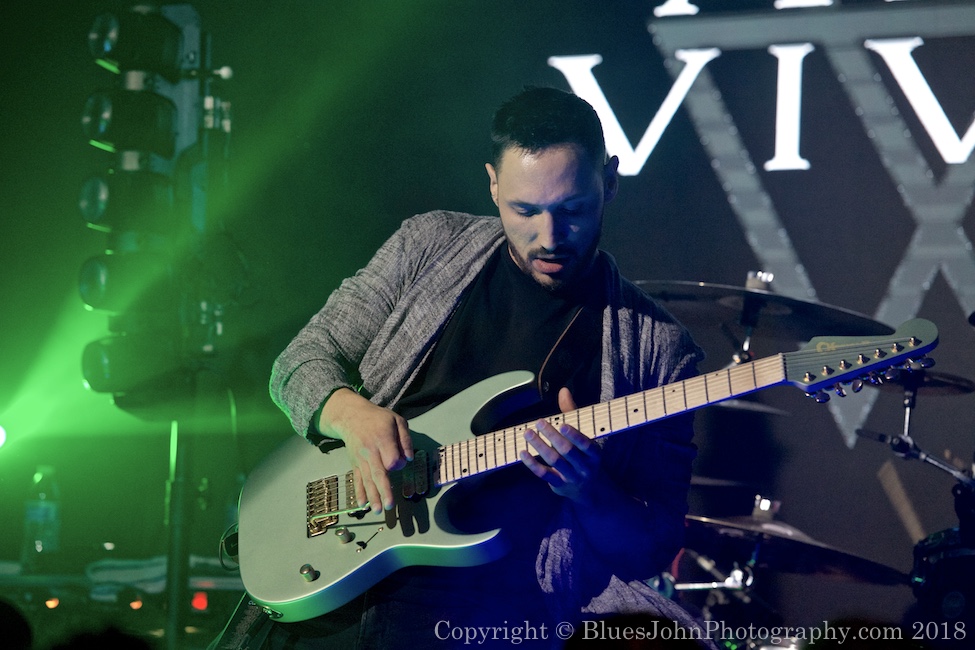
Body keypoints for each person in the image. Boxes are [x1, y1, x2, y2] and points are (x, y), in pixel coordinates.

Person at [218, 86, 708, 649]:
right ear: (493, 184)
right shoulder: (428, 245)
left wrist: (590, 489)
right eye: (525, 210)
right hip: (340, 574)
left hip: (496, 614)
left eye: (573, 210)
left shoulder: (659, 350)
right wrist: (352, 416)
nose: (549, 237)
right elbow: (298, 364)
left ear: (611, 184)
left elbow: (649, 545)